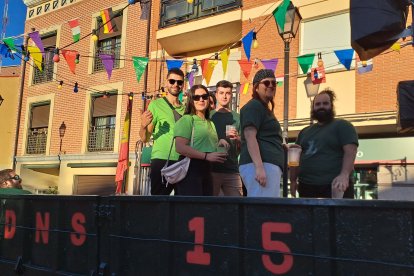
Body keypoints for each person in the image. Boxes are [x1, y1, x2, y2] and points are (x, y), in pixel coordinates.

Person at [289, 88, 358, 198]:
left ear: (331, 106)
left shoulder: (343, 126)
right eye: (318, 104)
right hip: (306, 187)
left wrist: (344, 175)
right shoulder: (304, 132)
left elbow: (351, 152)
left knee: (337, 216)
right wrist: (292, 181)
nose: (321, 106)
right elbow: (295, 158)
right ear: (313, 108)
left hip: (336, 186)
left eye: (325, 103)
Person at [174, 84, 228, 196]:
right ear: (191, 100)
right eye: (196, 97)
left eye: (204, 96)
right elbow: (180, 147)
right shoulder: (187, 119)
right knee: (192, 209)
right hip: (190, 168)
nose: (201, 99)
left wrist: (220, 143)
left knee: (204, 208)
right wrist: (206, 156)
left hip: (208, 169)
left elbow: (204, 145)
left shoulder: (210, 122)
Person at [140, 68, 185, 195]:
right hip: (162, 159)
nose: (176, 84)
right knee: (158, 202)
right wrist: (143, 126)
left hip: (182, 160)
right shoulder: (155, 105)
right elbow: (145, 139)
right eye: (172, 81)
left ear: (183, 85)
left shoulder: (186, 108)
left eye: (179, 82)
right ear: (166, 83)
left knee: (182, 203)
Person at [239, 69, 284, 197]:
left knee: (266, 210)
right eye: (266, 83)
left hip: (266, 165)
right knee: (262, 210)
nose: (271, 85)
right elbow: (250, 136)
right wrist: (259, 167)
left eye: (274, 83)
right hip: (261, 165)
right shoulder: (254, 106)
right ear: (256, 87)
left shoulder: (263, 108)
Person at [210, 80, 243, 196]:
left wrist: (238, 138)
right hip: (211, 170)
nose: (224, 96)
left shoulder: (238, 117)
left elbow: (246, 145)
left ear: (231, 95)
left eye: (228, 93)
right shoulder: (209, 116)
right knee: (210, 207)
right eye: (221, 93)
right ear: (216, 95)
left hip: (232, 169)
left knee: (236, 206)